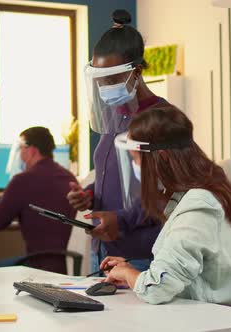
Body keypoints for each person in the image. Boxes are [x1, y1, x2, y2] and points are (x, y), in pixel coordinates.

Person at [97, 107, 231, 305]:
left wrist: (128, 273)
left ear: (163, 157)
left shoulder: (199, 204)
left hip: (214, 321)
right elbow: (182, 276)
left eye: (136, 158)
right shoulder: (193, 196)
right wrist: (133, 275)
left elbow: (158, 289)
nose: (135, 167)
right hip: (203, 316)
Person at [66, 9, 174, 272]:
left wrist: (121, 219)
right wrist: (89, 195)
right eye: (100, 80)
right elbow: (117, 177)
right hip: (103, 251)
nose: (104, 87)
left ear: (136, 72)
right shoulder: (116, 115)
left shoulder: (162, 119)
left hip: (138, 257)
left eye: (111, 79)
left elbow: (167, 194)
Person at [0, 127, 76, 274]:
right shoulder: (69, 177)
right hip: (68, 265)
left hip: (38, 266)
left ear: (32, 150)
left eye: (21, 149)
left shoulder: (22, 180)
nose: (20, 154)